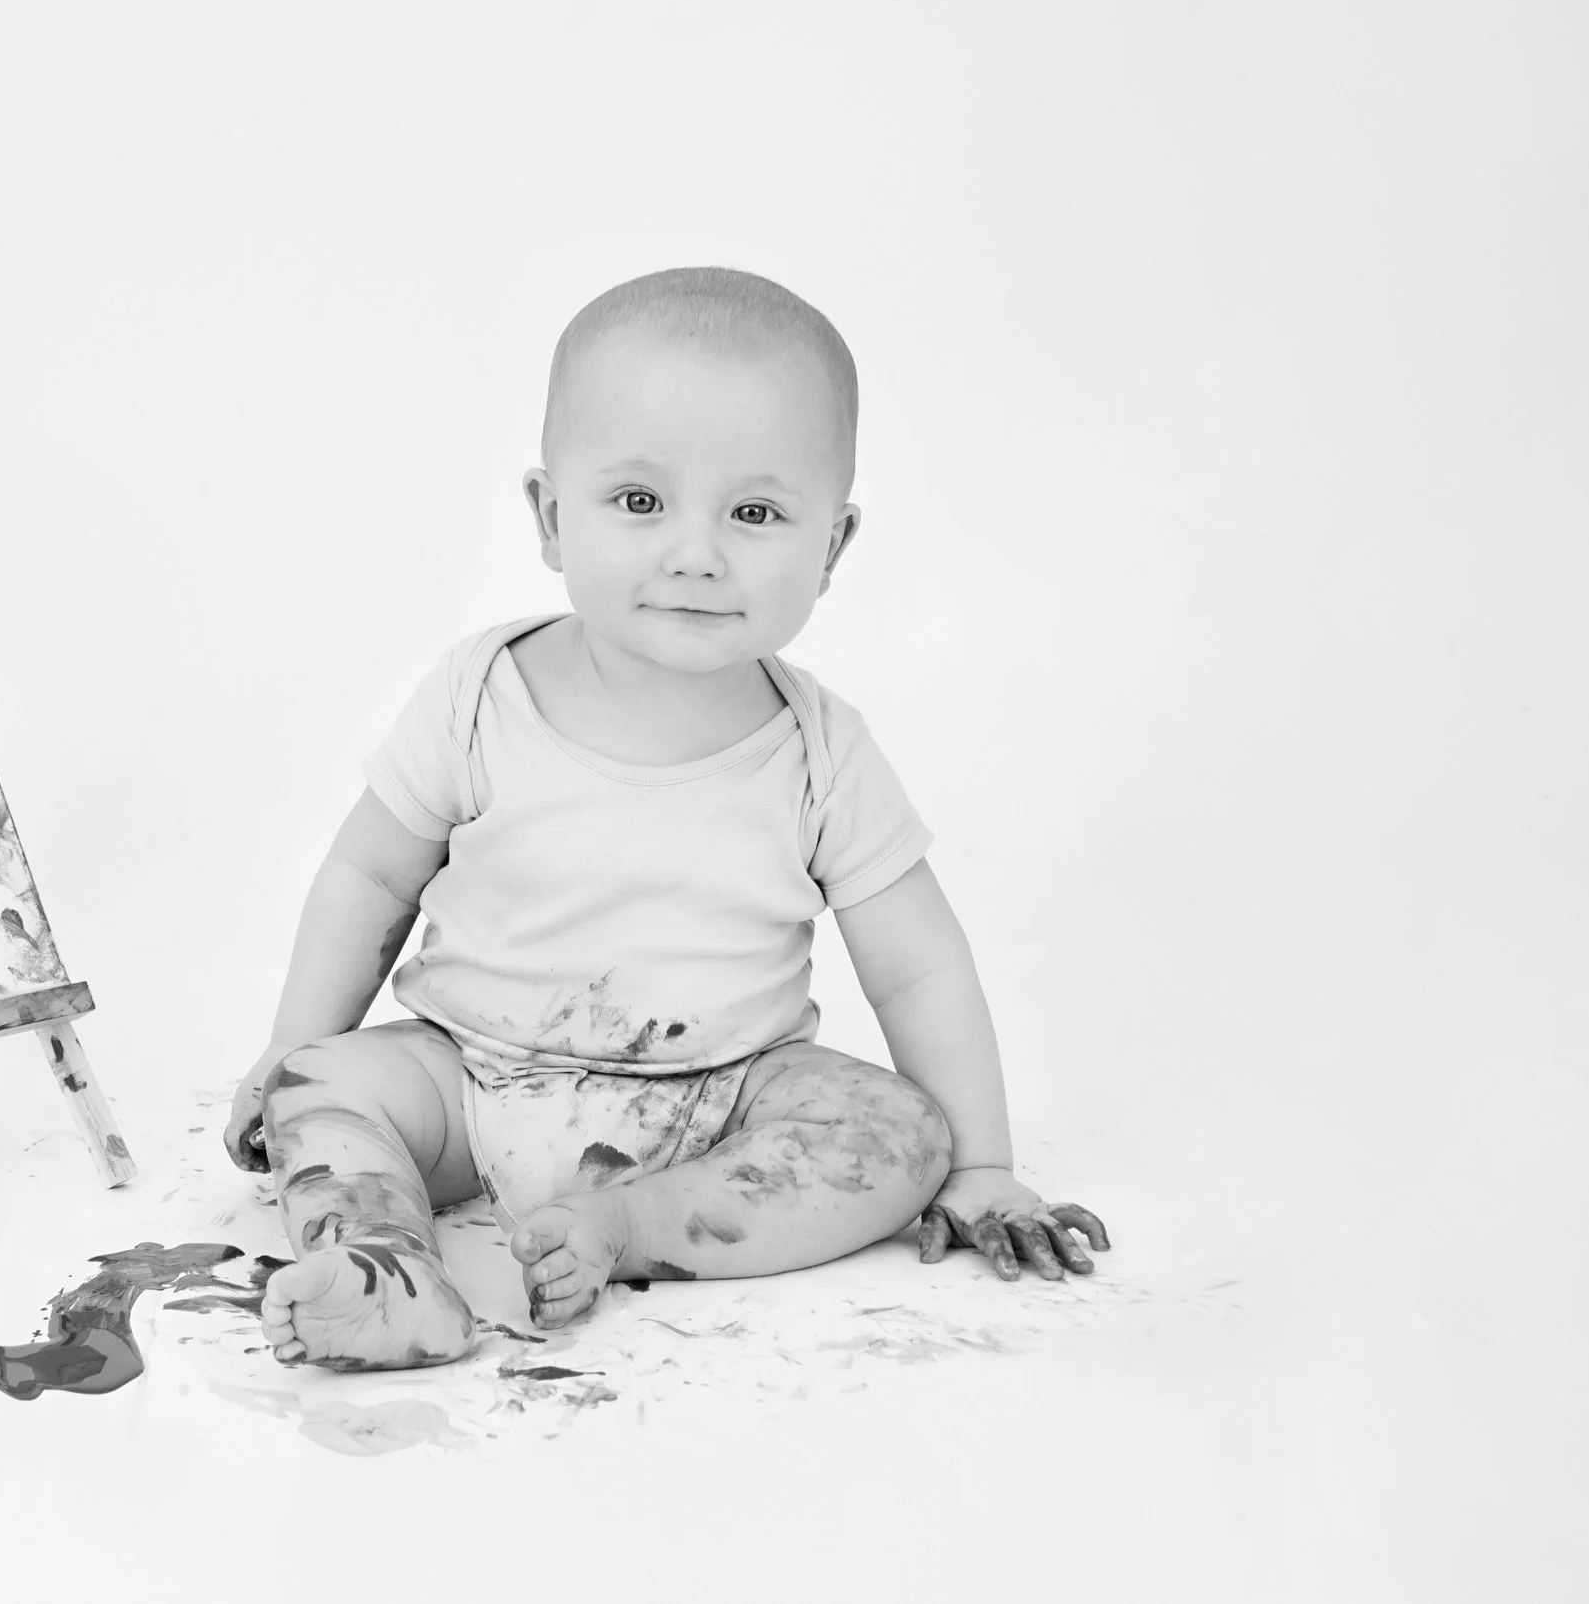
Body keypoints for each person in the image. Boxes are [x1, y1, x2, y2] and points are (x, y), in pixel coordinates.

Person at [223, 266, 1109, 1370]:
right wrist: (288, 1041)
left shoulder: (820, 751)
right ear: (552, 517)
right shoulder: (476, 693)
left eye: (754, 512)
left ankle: (626, 1229)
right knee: (322, 1085)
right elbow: (367, 880)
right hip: (467, 1076)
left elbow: (918, 967)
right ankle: (383, 1259)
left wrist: (980, 1162)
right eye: (639, 502)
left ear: (831, 546)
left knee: (902, 1135)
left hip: (721, 1108)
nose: (696, 552)